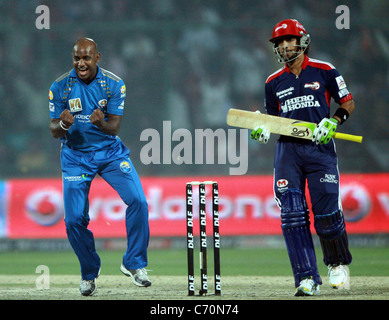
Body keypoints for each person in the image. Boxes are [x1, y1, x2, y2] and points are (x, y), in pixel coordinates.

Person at [251, 19, 354, 296]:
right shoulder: (273, 81)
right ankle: (306, 278)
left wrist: (334, 121)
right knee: (293, 216)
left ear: (301, 41)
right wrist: (262, 129)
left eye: (288, 40)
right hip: (289, 152)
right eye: (279, 43)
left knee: (327, 214)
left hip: (319, 150)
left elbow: (347, 102)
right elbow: (273, 119)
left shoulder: (325, 70)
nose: (284, 46)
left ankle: (337, 264)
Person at [49, 38, 151, 296]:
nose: (80, 63)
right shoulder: (60, 86)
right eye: (76, 58)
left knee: (138, 201)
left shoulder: (114, 84)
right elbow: (53, 131)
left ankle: (133, 263)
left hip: (110, 152)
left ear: (97, 57)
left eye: (86, 57)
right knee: (74, 220)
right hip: (75, 156)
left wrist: (100, 124)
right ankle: (89, 272)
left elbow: (114, 127)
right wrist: (63, 126)